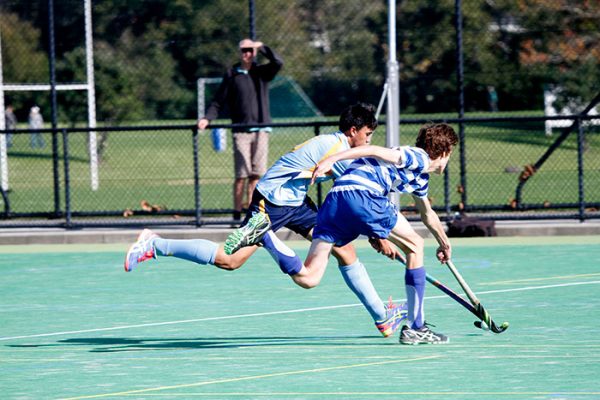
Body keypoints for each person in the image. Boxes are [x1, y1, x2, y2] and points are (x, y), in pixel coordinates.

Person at [126, 103, 406, 338]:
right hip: (271, 202)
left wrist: (376, 235)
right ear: (353, 131)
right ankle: (155, 244)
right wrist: (379, 236)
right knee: (229, 260)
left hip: (296, 203)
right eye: (367, 135)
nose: (368, 142)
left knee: (344, 249)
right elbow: (358, 196)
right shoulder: (337, 149)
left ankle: (382, 317)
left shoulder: (338, 145)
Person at [226, 123, 459, 344]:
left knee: (309, 277)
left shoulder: (420, 176)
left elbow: (427, 213)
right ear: (446, 151)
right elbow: (373, 150)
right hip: (363, 195)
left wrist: (444, 242)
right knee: (416, 245)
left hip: (335, 202)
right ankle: (416, 328)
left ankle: (265, 234)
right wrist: (333, 159)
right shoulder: (417, 156)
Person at [197, 38, 284, 221]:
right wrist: (207, 118)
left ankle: (252, 215)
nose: (247, 54)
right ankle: (236, 214)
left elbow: (278, 62)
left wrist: (262, 47)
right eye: (244, 50)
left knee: (257, 174)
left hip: (261, 129)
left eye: (250, 50)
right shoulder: (232, 74)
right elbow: (218, 101)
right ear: (239, 52)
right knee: (241, 175)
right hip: (241, 131)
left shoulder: (261, 72)